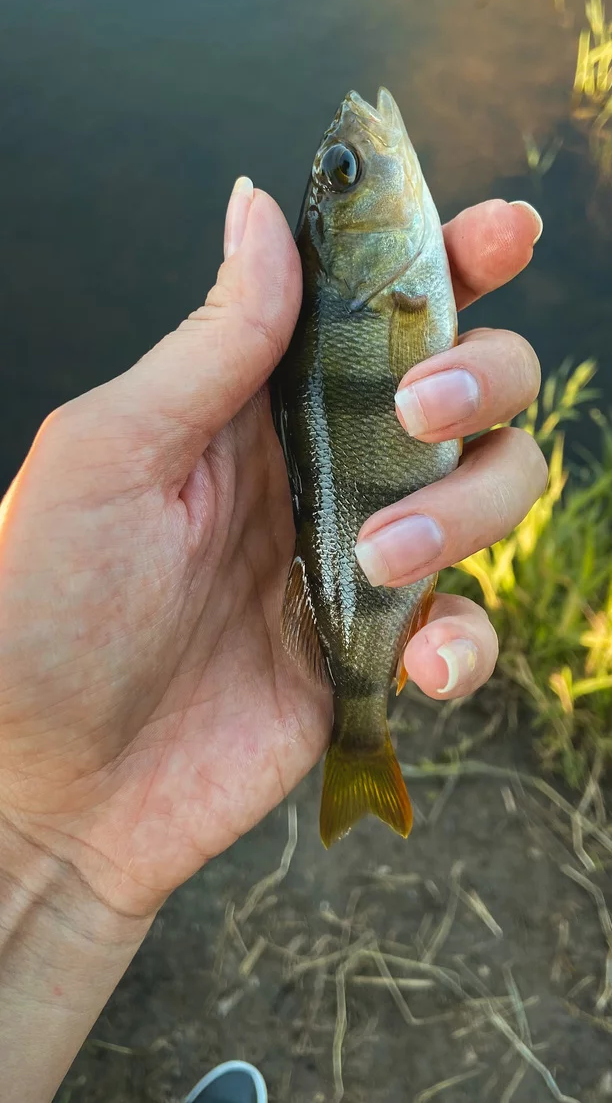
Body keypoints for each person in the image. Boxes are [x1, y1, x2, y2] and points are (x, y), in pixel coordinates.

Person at [0, 178, 546, 1102]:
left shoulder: (386, 279)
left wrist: (33, 841)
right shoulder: (398, 284)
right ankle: (359, 735)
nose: (356, 154)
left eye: (339, 176)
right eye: (344, 177)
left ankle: (358, 728)